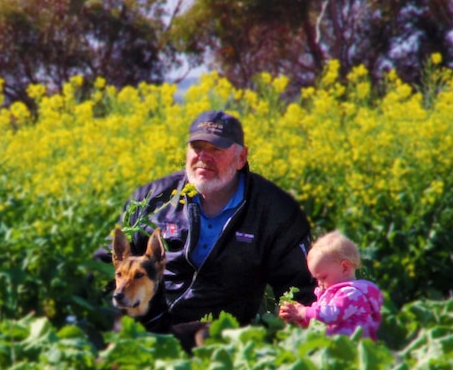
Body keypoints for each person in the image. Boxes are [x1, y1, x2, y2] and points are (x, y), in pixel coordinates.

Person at [97, 109, 316, 335]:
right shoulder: (152, 200)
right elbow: (104, 267)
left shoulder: (274, 210)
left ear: (241, 158)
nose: (203, 157)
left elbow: (300, 291)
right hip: (148, 335)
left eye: (215, 149)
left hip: (223, 340)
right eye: (197, 147)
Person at [279, 231, 384, 340]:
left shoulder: (352, 293)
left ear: (344, 268)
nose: (319, 283)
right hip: (337, 347)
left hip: (353, 348)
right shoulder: (331, 295)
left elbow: (332, 315)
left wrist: (303, 311)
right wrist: (300, 318)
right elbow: (319, 322)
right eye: (317, 279)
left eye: (323, 277)